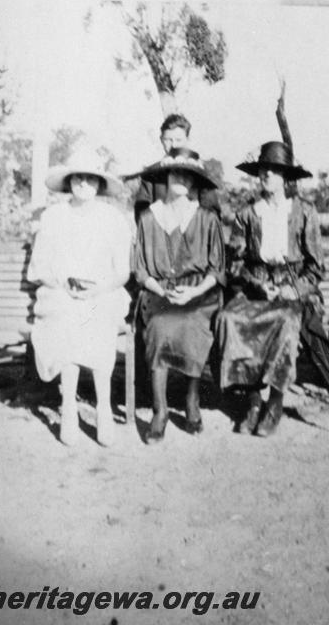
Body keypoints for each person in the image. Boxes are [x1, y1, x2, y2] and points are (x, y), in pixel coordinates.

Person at [215, 140, 324, 437]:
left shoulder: (304, 212)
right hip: (256, 289)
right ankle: (252, 402)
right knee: (231, 319)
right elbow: (233, 262)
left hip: (292, 291)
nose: (267, 175)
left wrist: (295, 290)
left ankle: (274, 403)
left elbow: (316, 268)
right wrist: (257, 284)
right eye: (263, 169)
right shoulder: (248, 213)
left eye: (274, 170)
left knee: (286, 322)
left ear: (286, 177)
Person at [27, 146, 131, 447]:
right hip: (60, 292)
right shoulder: (53, 216)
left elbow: (122, 272)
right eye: (77, 178)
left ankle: (103, 407)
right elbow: (40, 267)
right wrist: (63, 284)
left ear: (99, 184)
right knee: (67, 316)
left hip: (103, 291)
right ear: (69, 182)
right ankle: (69, 408)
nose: (84, 184)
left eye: (91, 178)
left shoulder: (112, 218)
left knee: (97, 315)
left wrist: (98, 288)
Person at [130, 147, 225, 444]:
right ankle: (160, 411)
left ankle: (191, 401)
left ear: (195, 183)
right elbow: (141, 270)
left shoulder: (207, 218)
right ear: (166, 177)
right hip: (159, 290)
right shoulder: (148, 218)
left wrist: (193, 292)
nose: (180, 179)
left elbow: (218, 268)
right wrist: (162, 290)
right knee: (159, 325)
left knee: (192, 323)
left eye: (188, 175)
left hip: (199, 292)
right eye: (175, 173)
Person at [134, 113, 220, 221]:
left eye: (178, 140)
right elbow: (141, 213)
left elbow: (212, 215)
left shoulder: (199, 172)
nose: (173, 145)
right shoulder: (152, 174)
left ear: (188, 139)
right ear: (161, 139)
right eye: (168, 140)